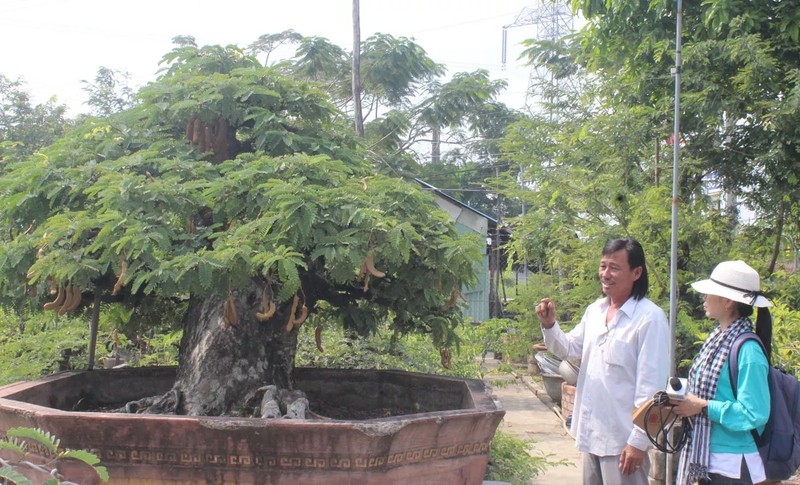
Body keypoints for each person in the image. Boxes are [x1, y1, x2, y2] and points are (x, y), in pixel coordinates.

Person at [535, 238, 669, 485]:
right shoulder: (595, 311)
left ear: (636, 272)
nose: (606, 274)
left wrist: (638, 442)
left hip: (623, 443)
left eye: (614, 268)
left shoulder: (650, 319)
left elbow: (651, 388)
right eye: (603, 266)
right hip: (591, 435)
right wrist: (550, 325)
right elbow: (570, 349)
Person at [673, 260, 772, 484]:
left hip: (733, 464)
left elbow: (754, 413)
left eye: (709, 293)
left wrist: (702, 406)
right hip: (709, 458)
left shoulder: (748, 350)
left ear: (727, 301)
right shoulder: (717, 340)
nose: (704, 298)